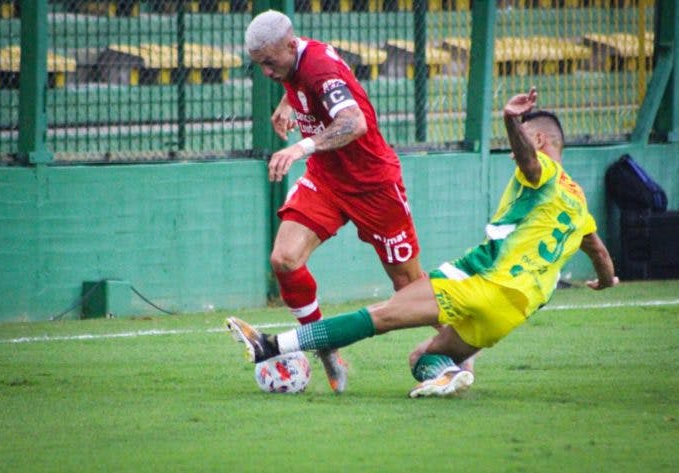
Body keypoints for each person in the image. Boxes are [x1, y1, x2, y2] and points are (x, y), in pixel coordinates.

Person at [226, 87, 619, 397]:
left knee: (380, 316)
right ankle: (448, 374)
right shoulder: (579, 204)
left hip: (482, 279)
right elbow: (600, 254)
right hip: (513, 313)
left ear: (539, 137)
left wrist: (510, 121)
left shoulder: (543, 169)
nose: (518, 155)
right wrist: (605, 281)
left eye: (525, 139)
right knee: (422, 358)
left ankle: (270, 346)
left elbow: (529, 162)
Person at [244, 10, 427, 392]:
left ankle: (461, 348)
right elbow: (300, 80)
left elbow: (353, 122)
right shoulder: (297, 60)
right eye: (258, 64)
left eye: (269, 62)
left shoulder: (319, 69)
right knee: (284, 259)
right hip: (327, 181)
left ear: (290, 46)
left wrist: (301, 147)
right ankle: (325, 349)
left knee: (410, 289)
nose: (265, 71)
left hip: (373, 185)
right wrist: (288, 102)